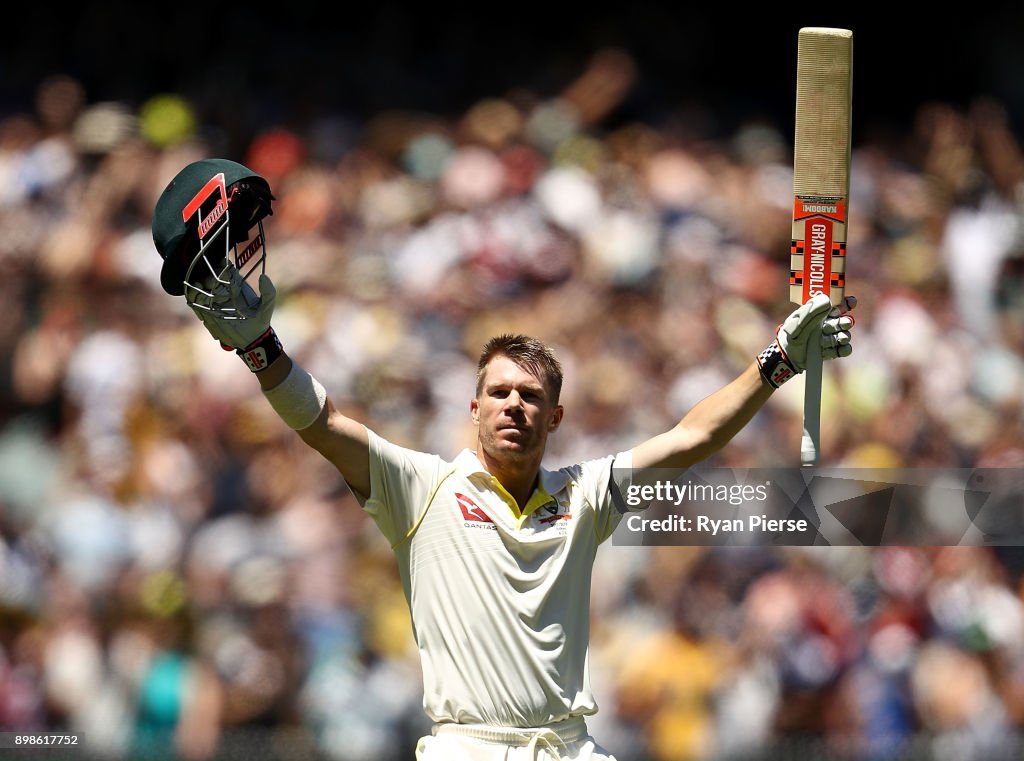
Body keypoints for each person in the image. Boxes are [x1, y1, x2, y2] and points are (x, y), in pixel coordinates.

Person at [152, 158, 855, 761]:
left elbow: (689, 438)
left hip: (570, 744)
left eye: (529, 395)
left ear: (555, 416)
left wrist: (780, 360)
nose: (513, 405)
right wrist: (261, 350)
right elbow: (325, 422)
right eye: (498, 392)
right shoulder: (420, 488)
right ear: (473, 406)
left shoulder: (585, 495)